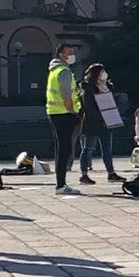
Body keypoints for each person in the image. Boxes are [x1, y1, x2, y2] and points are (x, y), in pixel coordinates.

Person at [45, 43, 82, 195]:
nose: (72, 54)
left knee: (60, 149)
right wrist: (73, 112)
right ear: (61, 54)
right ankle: (61, 184)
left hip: (54, 113)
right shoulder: (64, 71)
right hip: (64, 114)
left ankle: (60, 183)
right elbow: (66, 97)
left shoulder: (54, 70)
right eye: (69, 52)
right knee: (64, 149)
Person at [78, 63, 124, 184]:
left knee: (107, 150)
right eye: (101, 72)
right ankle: (84, 174)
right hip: (93, 124)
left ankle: (111, 173)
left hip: (106, 123)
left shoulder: (107, 87)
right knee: (88, 149)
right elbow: (89, 108)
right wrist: (102, 118)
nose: (104, 74)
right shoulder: (88, 89)